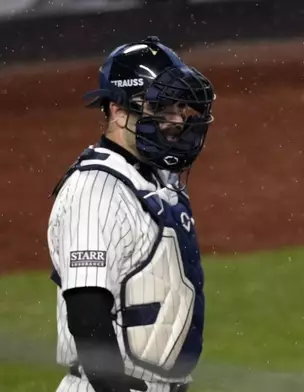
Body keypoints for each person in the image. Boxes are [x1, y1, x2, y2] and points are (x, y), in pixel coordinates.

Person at [47, 36, 215, 392]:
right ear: (118, 111)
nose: (176, 121)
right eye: (161, 108)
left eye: (178, 108)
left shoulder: (155, 178)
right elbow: (88, 315)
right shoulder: (95, 192)